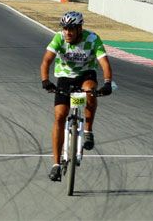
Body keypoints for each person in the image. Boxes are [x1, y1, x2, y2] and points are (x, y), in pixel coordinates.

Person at [40, 11, 112, 182]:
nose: (67, 32)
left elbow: (104, 63)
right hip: (64, 77)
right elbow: (46, 61)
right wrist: (45, 80)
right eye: (65, 28)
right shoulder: (58, 39)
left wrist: (108, 82)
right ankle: (56, 165)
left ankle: (88, 130)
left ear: (80, 28)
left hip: (85, 75)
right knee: (59, 116)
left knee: (90, 90)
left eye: (71, 29)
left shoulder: (92, 39)